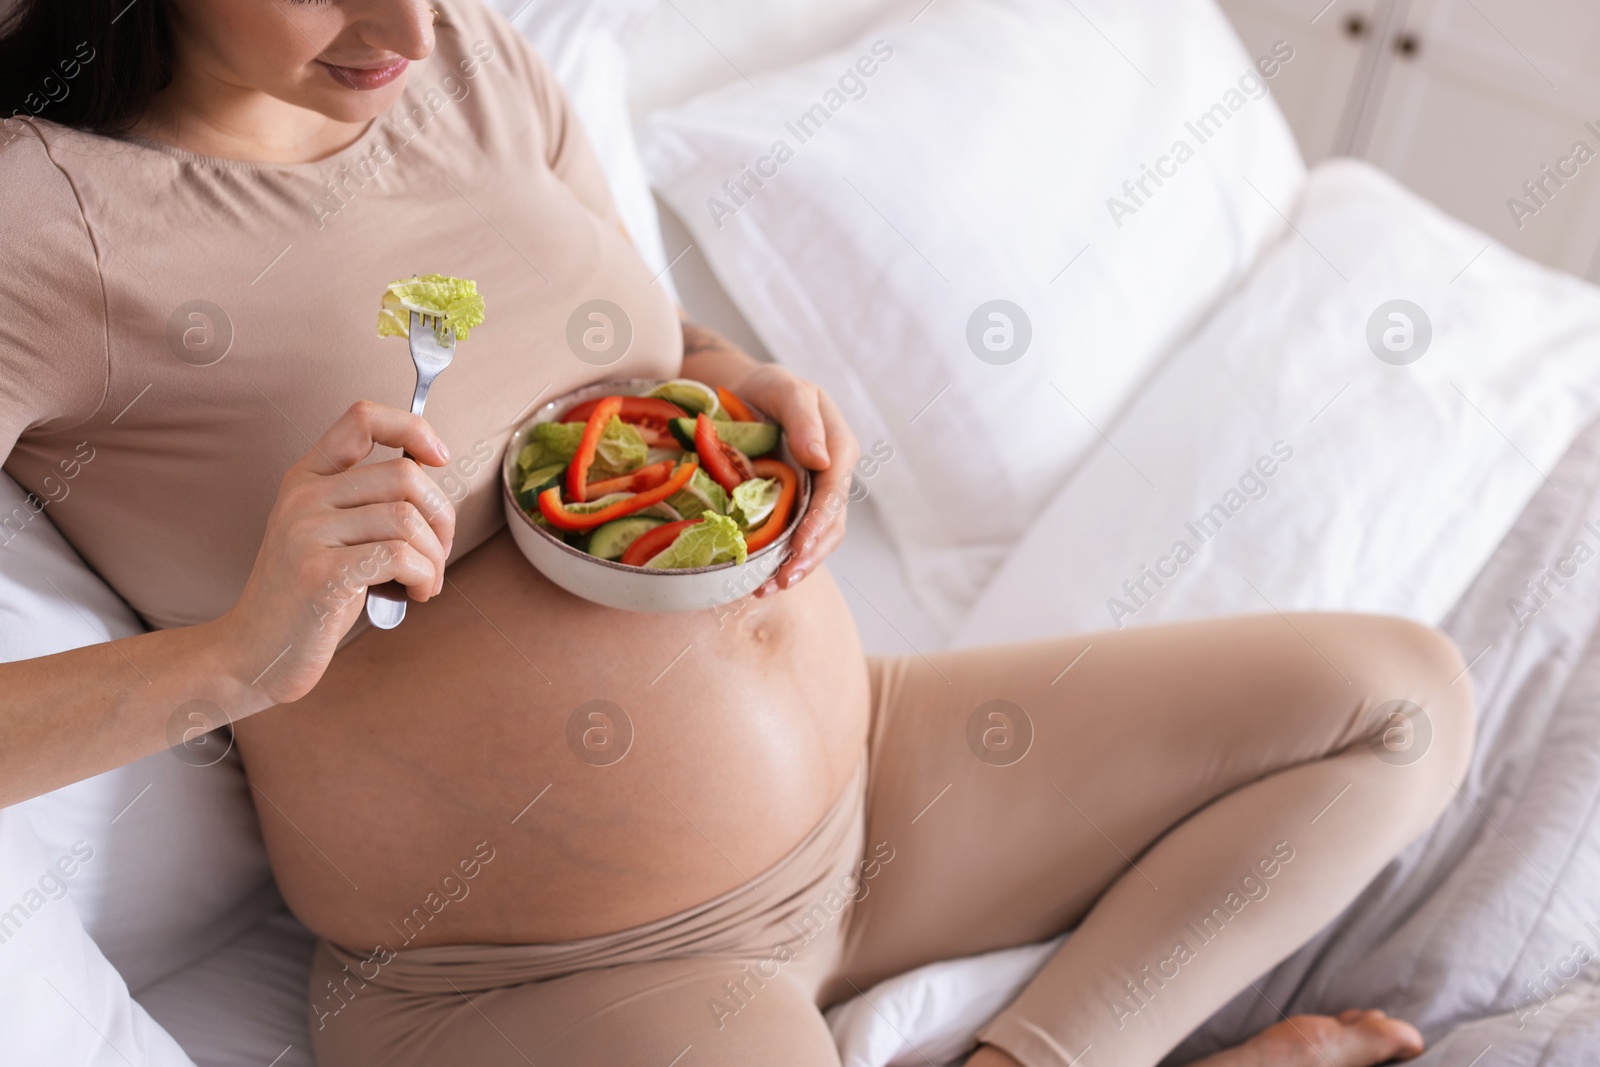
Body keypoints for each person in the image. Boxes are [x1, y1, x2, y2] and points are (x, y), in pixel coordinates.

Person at [0, 1, 1475, 1064]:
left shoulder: (462, 66)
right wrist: (235, 659)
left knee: (1401, 706)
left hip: (881, 787)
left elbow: (623, 337)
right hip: (542, 968)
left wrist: (727, 381)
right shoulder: (46, 225)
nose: (405, 18)